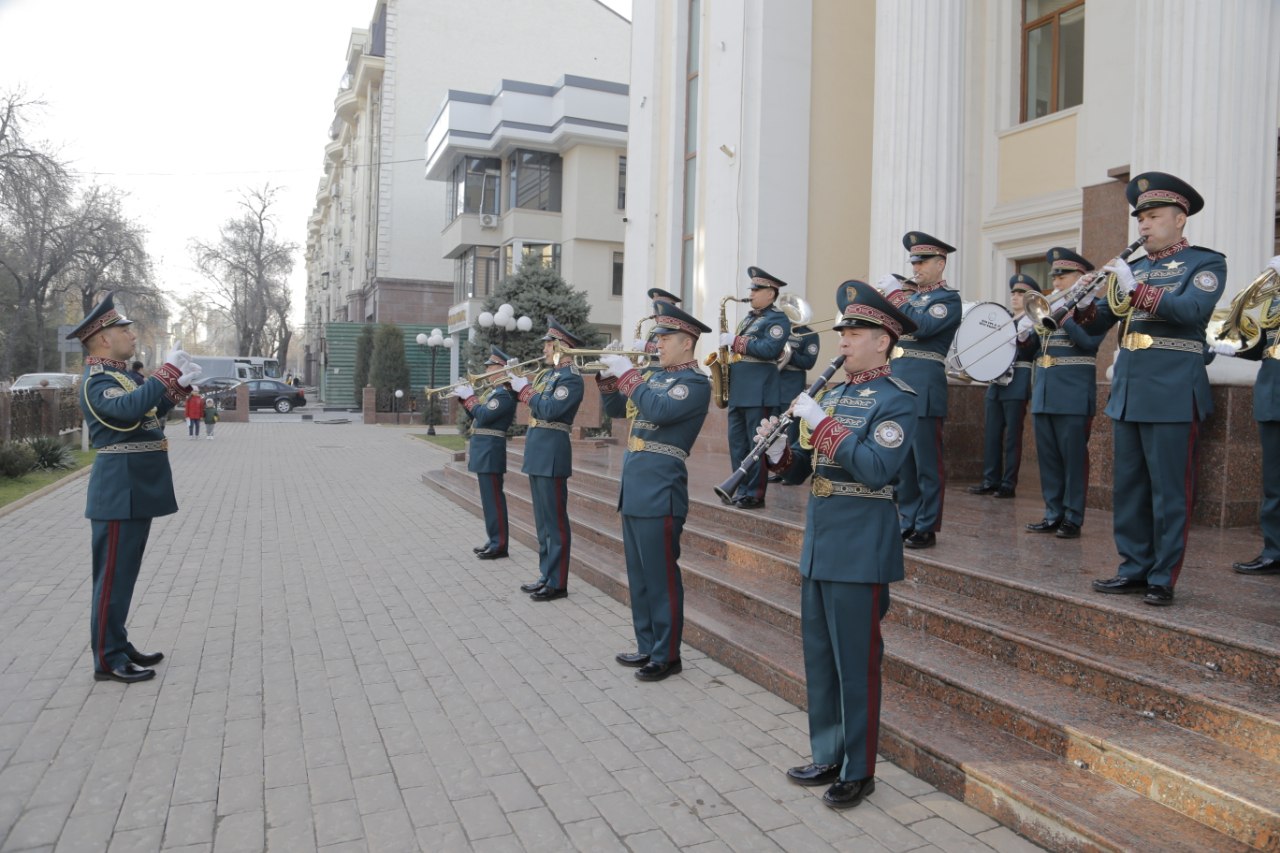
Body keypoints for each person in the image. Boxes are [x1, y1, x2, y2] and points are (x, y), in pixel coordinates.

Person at [760, 280, 918, 810]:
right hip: (822, 542)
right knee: (821, 658)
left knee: (856, 663)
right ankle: (827, 753)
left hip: (861, 546)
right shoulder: (832, 393)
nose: (844, 340)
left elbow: (875, 469)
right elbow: (803, 468)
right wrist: (779, 450)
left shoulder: (897, 400)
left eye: (855, 332)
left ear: (883, 340)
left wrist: (822, 424)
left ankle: (859, 769)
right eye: (843, 331)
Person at [1078, 172, 1224, 606]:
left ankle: (1163, 575)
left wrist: (1134, 288)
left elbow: (1190, 310)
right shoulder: (1136, 267)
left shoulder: (1204, 263)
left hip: (1173, 389)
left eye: (1154, 216)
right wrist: (1080, 305)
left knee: (1169, 490)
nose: (1144, 224)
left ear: (1179, 219)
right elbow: (1097, 326)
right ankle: (1133, 567)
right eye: (1140, 218)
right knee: (1129, 488)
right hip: (1130, 390)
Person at [70, 292, 202, 683]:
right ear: (103, 338)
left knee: (123, 577)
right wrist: (165, 373)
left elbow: (147, 416)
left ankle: (118, 643)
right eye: (124, 330)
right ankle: (107, 659)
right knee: (112, 579)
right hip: (119, 491)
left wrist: (175, 389)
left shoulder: (124, 377)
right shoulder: (98, 381)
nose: (131, 335)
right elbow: (126, 412)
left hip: (135, 488)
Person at [597, 301, 711, 682]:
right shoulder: (654, 377)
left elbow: (659, 411)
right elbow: (619, 408)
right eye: (658, 337)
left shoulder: (695, 384)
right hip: (635, 487)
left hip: (661, 489)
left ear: (687, 342)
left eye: (666, 338)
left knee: (661, 578)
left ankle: (667, 654)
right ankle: (647, 645)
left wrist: (630, 376)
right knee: (640, 576)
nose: (657, 343)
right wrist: (608, 379)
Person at [878, 232, 962, 549]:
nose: (916, 267)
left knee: (927, 463)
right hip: (898, 384)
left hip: (924, 386)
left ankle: (927, 525)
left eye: (923, 262)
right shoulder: (911, 300)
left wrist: (896, 296)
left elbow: (923, 328)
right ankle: (908, 520)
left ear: (940, 263)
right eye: (914, 262)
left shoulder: (947, 300)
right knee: (905, 464)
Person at [1024, 248, 1106, 539]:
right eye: (1055, 277)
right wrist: (1026, 333)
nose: (1056, 282)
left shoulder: (1094, 308)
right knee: (1048, 459)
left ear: (1081, 277)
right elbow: (1032, 351)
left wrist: (1066, 317)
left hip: (1073, 395)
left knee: (1073, 460)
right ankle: (1053, 513)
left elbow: (1089, 343)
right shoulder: (1048, 307)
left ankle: (1073, 517)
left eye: (1063, 276)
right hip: (1044, 392)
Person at [1211, 254, 1280, 575]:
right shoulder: (1275, 299)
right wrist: (1235, 346)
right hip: (1273, 396)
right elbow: (1268, 346)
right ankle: (1274, 550)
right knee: (1274, 484)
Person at [508, 316, 585, 601]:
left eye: (548, 345)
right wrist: (514, 384)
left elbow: (550, 410)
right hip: (538, 451)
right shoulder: (549, 375)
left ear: (562, 347)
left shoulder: (571, 378)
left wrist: (526, 390)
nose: (544, 349)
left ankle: (558, 582)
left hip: (552, 452)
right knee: (542, 522)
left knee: (555, 522)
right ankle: (546, 574)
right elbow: (535, 403)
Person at [723, 266, 792, 509]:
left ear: (770, 293)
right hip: (740, 389)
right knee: (737, 444)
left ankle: (754, 493)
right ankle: (738, 486)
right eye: (751, 289)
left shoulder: (778, 319)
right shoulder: (749, 318)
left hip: (759, 391)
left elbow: (770, 349)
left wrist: (736, 341)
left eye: (756, 289)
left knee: (757, 445)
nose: (751, 294)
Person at [969, 274, 1037, 499]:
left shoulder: (1033, 320)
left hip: (1018, 377)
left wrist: (1024, 334)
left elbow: (1031, 350)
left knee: (1012, 437)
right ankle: (990, 479)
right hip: (996, 380)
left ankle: (1008, 483)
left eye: (1021, 293)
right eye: (1013, 293)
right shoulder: (1004, 318)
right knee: (992, 433)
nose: (1015, 297)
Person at [453, 347, 518, 560]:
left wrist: (470, 397)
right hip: (484, 450)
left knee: (494, 500)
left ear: (502, 369)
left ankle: (499, 544)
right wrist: (465, 399)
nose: (487, 370)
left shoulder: (504, 395)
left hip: (491, 451)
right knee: (488, 501)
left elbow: (483, 415)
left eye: (491, 367)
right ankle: (493, 540)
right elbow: (477, 416)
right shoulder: (493, 393)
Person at [773, 322, 820, 484]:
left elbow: (809, 362)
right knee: (775, 428)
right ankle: (779, 468)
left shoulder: (809, 334)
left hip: (792, 385)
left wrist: (788, 353)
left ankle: (791, 470)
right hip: (774, 384)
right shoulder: (780, 330)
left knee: (792, 431)